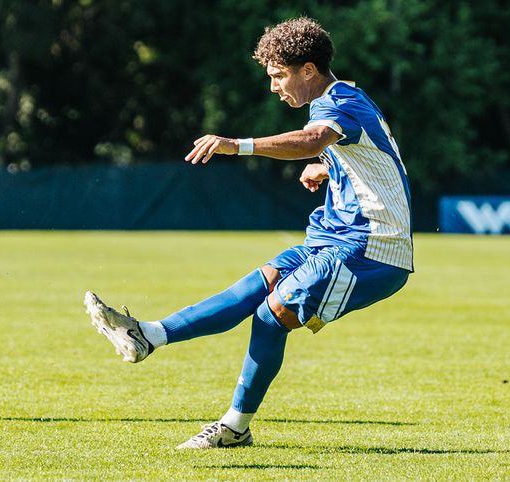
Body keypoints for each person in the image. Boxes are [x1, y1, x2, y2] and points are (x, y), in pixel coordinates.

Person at [85, 17, 412, 449]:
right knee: (260, 284)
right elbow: (371, 156)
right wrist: (326, 169)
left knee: (270, 317)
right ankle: (148, 336)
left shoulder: (338, 103)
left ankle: (235, 427)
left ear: (308, 70)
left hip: (372, 250)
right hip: (336, 240)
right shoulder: (343, 98)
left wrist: (237, 145)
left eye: (279, 76)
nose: (274, 87)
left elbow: (313, 139)